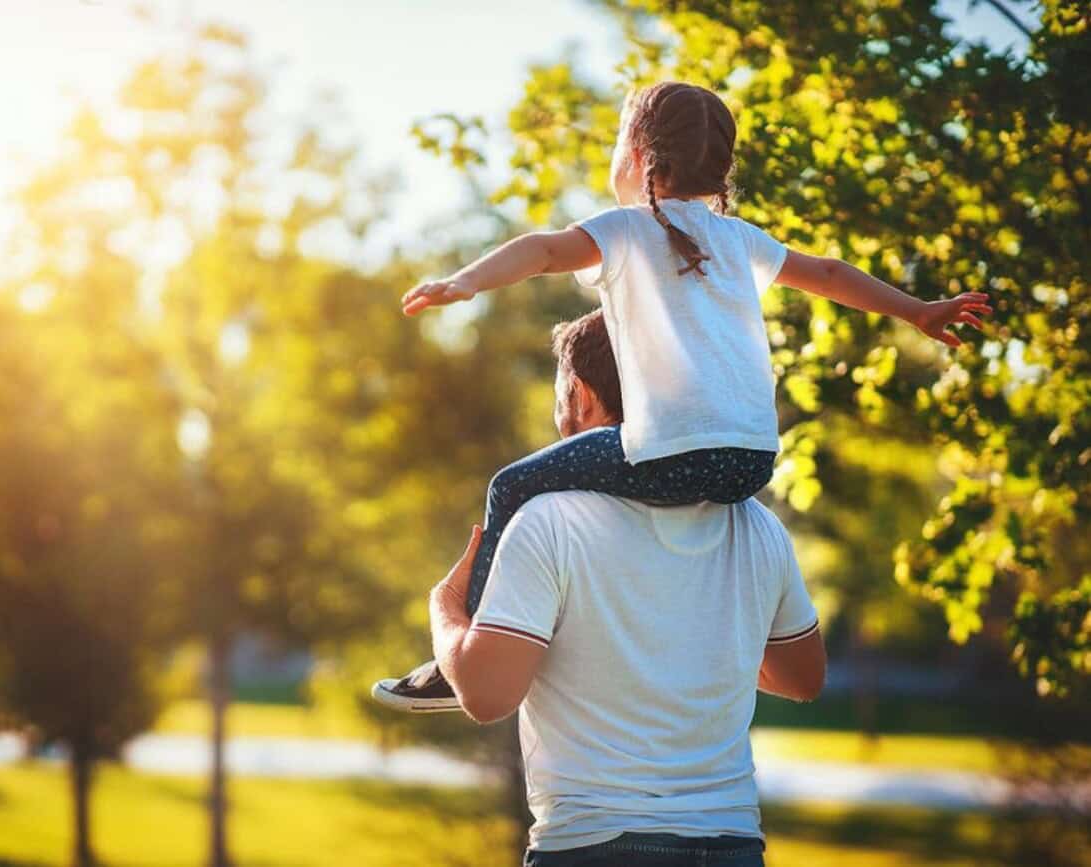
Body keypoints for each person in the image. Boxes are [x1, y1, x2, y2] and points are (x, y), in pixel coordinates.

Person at [372, 81, 988, 711]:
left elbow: (545, 250)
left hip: (670, 456)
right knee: (621, 469)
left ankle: (465, 655)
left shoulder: (626, 230)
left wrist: (466, 282)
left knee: (511, 485)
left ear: (639, 156)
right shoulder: (740, 239)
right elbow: (829, 273)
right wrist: (917, 311)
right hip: (752, 463)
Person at [429, 308, 826, 866]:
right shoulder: (757, 524)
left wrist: (446, 610)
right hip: (732, 846)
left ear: (581, 395)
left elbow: (486, 694)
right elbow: (803, 677)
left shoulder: (547, 521)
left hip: (596, 845)